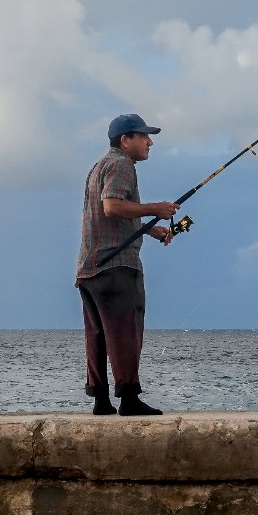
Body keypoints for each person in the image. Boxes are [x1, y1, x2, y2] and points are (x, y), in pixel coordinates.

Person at [77, 113, 179, 415]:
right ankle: (129, 398)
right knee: (125, 330)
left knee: (97, 335)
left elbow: (109, 212)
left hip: (89, 267)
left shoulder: (99, 166)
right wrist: (156, 209)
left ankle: (101, 400)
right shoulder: (122, 164)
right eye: (143, 136)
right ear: (126, 140)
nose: (150, 142)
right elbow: (112, 206)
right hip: (116, 266)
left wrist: (149, 226)